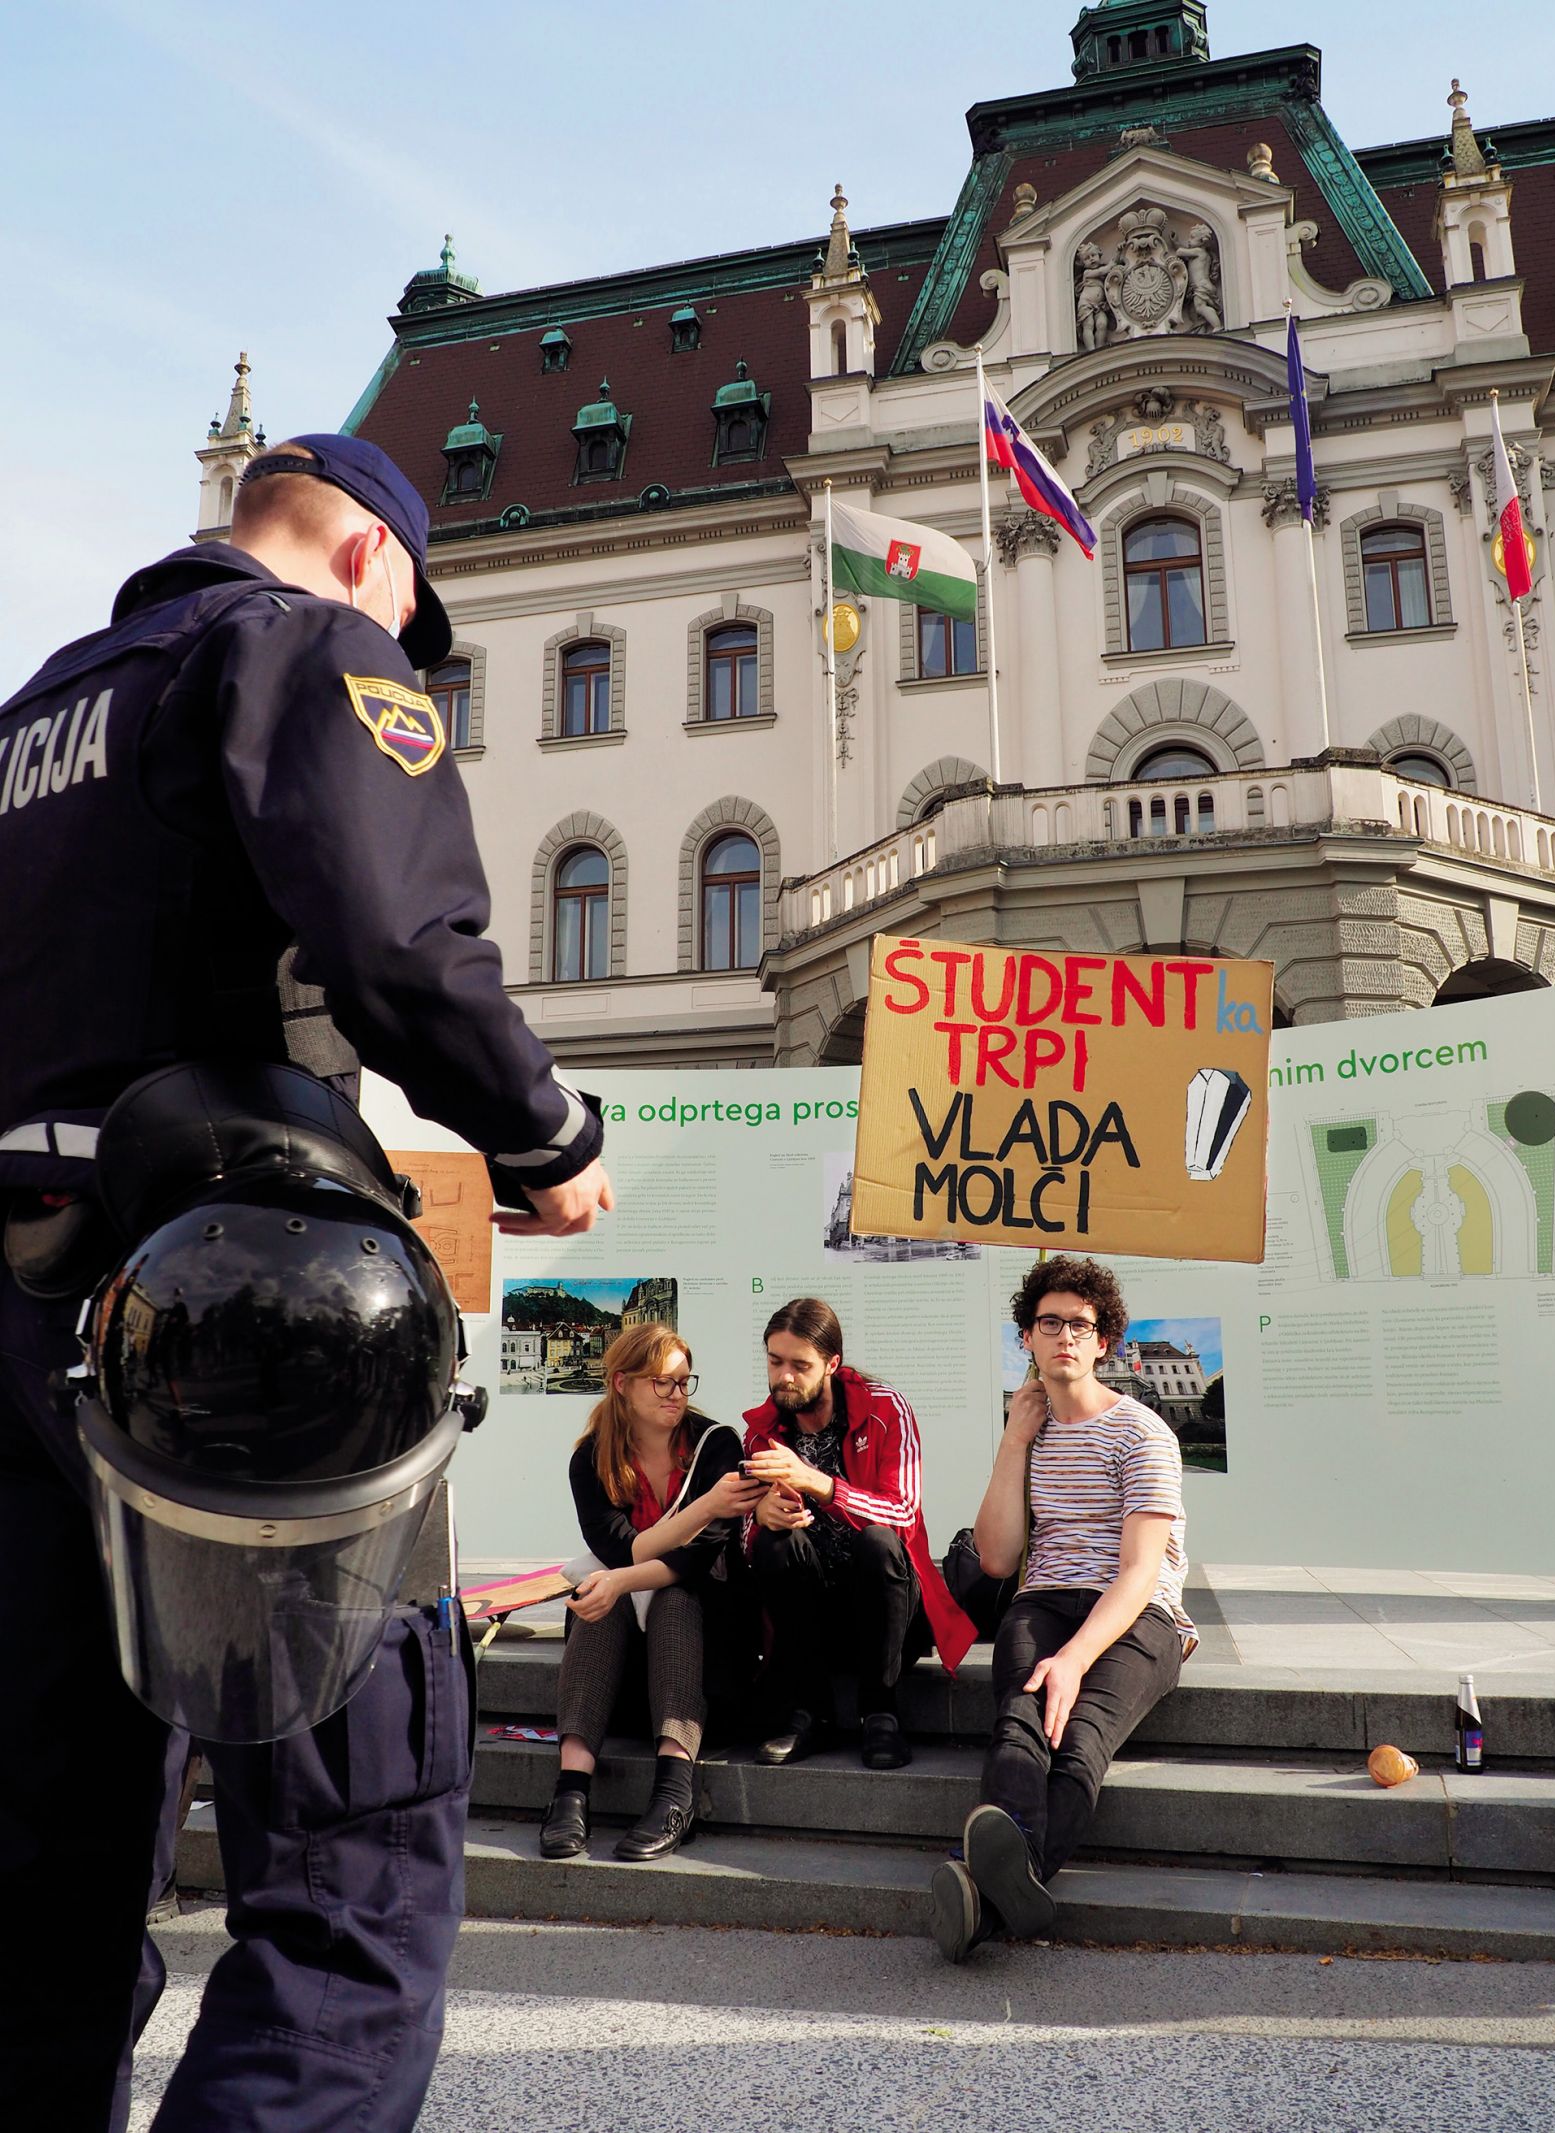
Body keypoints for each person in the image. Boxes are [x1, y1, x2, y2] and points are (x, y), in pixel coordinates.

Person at [0, 432, 612, 2131]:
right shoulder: (301, 643)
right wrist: (545, 1129)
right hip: (229, 1318)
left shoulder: (35, 713)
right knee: (349, 1870)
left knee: (41, 1872)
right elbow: (397, 929)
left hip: (24, 1302)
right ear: (366, 558)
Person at [931, 1256, 1195, 1964]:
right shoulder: (1030, 1430)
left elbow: (1142, 1572)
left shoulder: (1143, 1433)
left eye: (1081, 1325)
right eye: (1050, 1323)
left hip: (1139, 1617)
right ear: (1028, 1338)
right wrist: (1013, 1443)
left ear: (1103, 1340)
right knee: (1022, 1727)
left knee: (1076, 1743)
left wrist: (1075, 1658)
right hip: (1044, 1599)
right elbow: (994, 1556)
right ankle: (1002, 1898)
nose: (1065, 1337)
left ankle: (981, 1901)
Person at [542, 1323, 762, 1863]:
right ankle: (571, 1791)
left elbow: (696, 1558)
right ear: (622, 1384)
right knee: (605, 1595)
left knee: (673, 1597)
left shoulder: (717, 1444)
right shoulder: (590, 1459)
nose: (676, 1395)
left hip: (707, 1647)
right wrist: (707, 1505)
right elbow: (623, 1553)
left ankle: (674, 1790)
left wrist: (622, 1576)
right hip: (628, 1669)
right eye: (662, 1383)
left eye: (684, 1383)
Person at [742, 1298, 974, 1771]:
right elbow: (741, 1534)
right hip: (813, 1622)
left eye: (799, 1365)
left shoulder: (886, 1408)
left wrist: (821, 1485)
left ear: (831, 1363)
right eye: (775, 1361)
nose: (785, 1376)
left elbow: (903, 1511)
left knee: (879, 1541)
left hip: (890, 1617)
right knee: (773, 1541)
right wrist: (760, 1515)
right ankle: (811, 1713)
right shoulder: (761, 1433)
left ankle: (880, 1712)